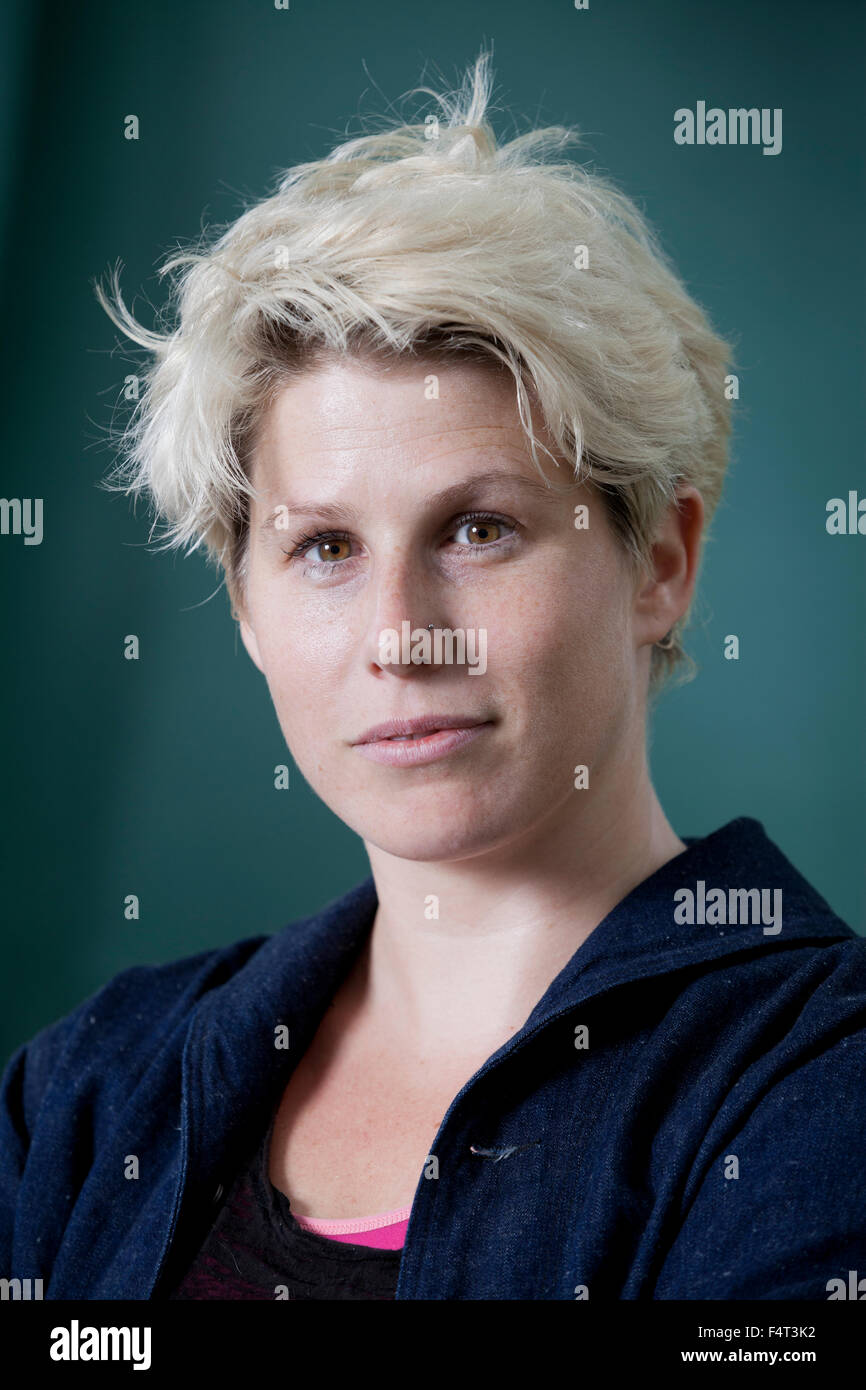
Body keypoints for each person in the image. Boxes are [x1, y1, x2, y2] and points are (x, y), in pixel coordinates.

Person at [2, 52, 864, 1301]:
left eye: (478, 528)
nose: (400, 634)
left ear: (658, 561)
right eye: (324, 547)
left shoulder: (819, 1091)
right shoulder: (84, 1092)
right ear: (244, 604)